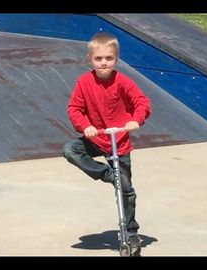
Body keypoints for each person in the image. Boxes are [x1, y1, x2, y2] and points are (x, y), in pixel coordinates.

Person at [62, 32, 152, 255]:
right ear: (90, 59)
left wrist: (135, 120)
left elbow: (142, 102)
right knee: (70, 150)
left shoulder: (123, 82)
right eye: (99, 59)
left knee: (126, 191)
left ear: (116, 59)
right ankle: (108, 175)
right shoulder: (84, 82)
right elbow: (74, 109)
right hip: (96, 138)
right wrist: (85, 127)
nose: (104, 63)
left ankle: (131, 233)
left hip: (118, 141)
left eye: (109, 58)